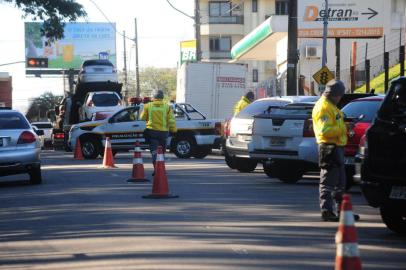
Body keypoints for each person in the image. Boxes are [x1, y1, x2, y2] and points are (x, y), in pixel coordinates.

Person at [312, 80, 355, 222]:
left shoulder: (331, 106)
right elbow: (325, 130)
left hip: (336, 147)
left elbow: (334, 124)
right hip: (328, 148)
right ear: (334, 95)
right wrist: (344, 128)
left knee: (340, 182)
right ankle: (327, 211)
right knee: (328, 182)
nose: (340, 98)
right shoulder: (324, 107)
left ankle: (343, 211)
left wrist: (345, 125)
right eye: (340, 95)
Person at [140, 90, 177, 173]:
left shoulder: (147, 106)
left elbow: (142, 118)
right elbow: (171, 120)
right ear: (162, 97)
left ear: (153, 97)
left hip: (152, 132)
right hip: (163, 133)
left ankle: (156, 169)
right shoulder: (167, 107)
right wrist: (174, 130)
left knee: (154, 151)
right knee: (162, 152)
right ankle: (161, 169)